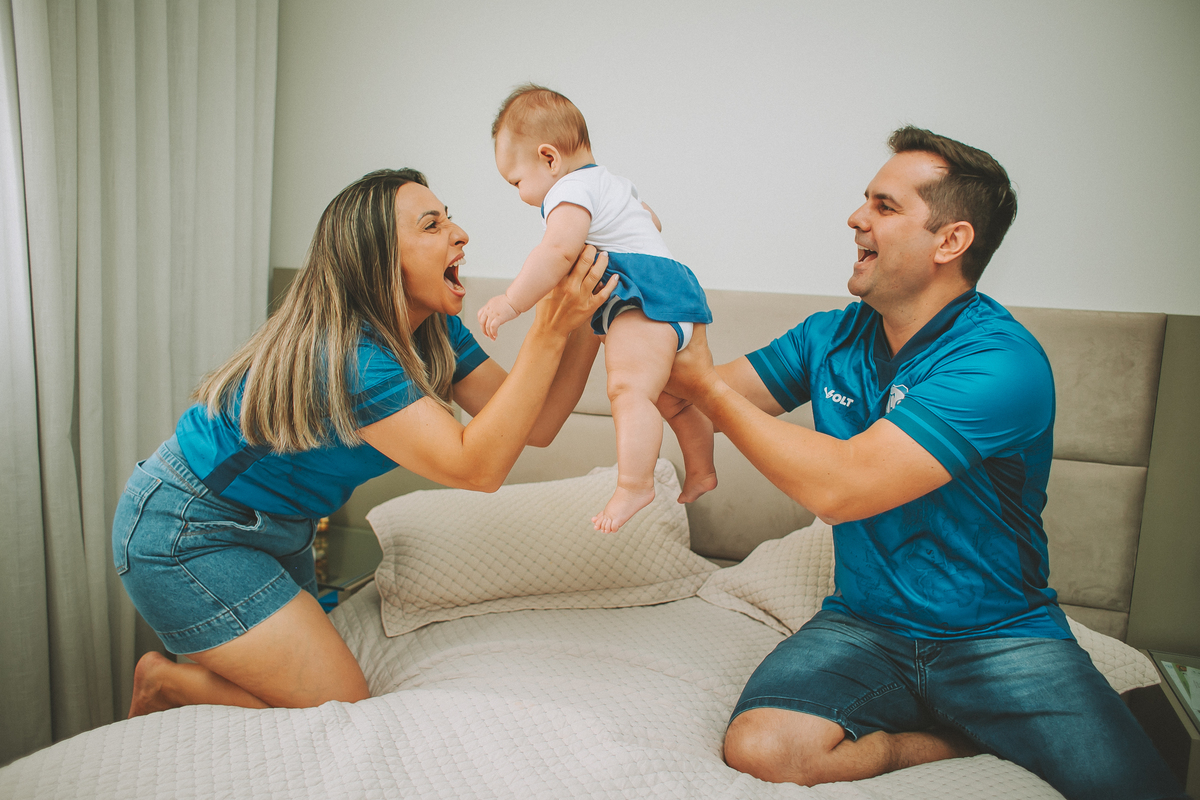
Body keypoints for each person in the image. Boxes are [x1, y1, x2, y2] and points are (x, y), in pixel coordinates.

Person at [663, 127, 1185, 800]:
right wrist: (642, 293)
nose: (855, 218)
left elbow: (842, 488)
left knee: (1137, 788)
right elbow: (692, 398)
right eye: (866, 200)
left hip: (998, 635)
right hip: (863, 625)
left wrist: (706, 390)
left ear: (950, 241)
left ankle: (991, 717)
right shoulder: (830, 336)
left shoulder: (1000, 361)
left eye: (884, 206)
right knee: (763, 749)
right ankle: (954, 738)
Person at [114, 168, 616, 717]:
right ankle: (163, 683)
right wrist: (546, 329)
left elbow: (536, 424)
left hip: (282, 526)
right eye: (432, 225)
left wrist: (590, 318)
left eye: (448, 219)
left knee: (294, 691)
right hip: (190, 526)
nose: (460, 234)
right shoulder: (354, 358)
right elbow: (477, 469)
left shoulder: (432, 331)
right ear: (378, 259)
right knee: (337, 700)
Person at [477, 85, 716, 533]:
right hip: (678, 290)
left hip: (642, 300)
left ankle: (634, 484)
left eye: (517, 182)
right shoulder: (614, 184)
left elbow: (558, 251)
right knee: (674, 398)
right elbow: (651, 221)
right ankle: (701, 469)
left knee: (628, 392)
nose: (521, 194)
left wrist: (511, 301)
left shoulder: (569, 191)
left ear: (549, 159)